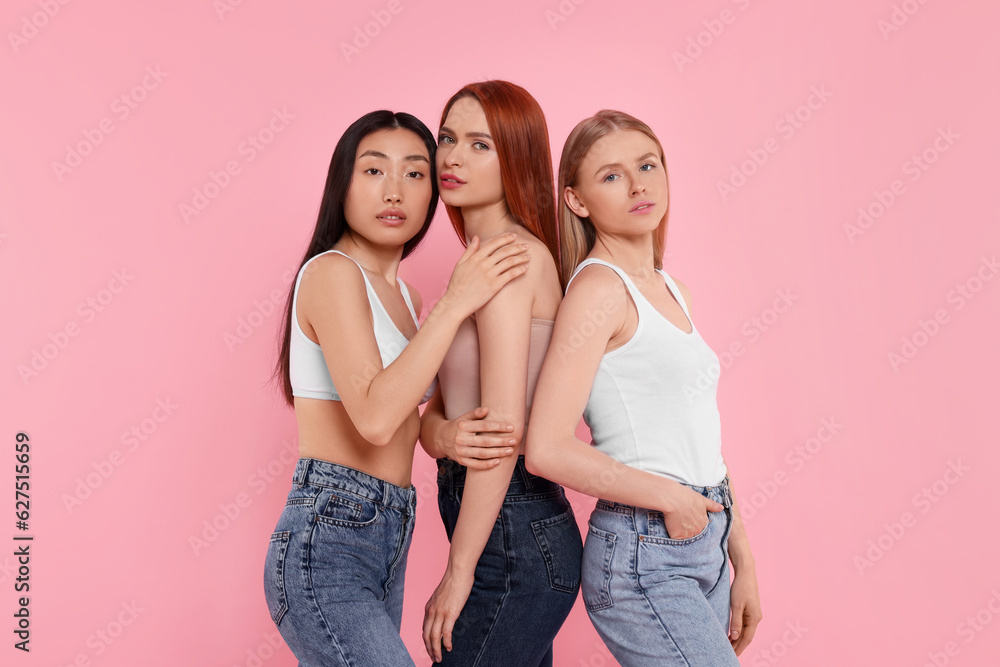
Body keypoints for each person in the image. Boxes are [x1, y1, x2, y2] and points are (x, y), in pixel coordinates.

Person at [262, 109, 530, 666]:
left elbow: (410, 418)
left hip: (389, 531)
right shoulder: (332, 273)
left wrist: (445, 434)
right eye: (373, 170)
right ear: (342, 183)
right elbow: (376, 418)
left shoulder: (407, 300)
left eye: (414, 173)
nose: (394, 191)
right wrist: (456, 303)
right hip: (328, 536)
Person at [524, 110, 763, 666]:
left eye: (648, 165)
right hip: (644, 550)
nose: (638, 185)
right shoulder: (599, 291)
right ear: (576, 200)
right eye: (611, 175)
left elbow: (700, 438)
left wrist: (743, 560)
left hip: (705, 536)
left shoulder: (672, 289)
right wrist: (671, 498)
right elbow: (547, 448)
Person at [418, 81, 583, 666]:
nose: (453, 157)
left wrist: (458, 571)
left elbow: (504, 430)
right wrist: (442, 435)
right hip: (509, 529)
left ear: (515, 156)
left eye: (479, 144)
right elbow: (438, 412)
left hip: (513, 532)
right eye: (447, 139)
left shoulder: (508, 257)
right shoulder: (480, 263)